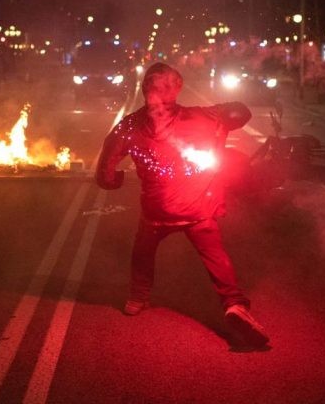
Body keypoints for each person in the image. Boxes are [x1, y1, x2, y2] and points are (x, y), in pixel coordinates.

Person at [95, 63, 269, 348]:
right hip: (198, 210)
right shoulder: (203, 116)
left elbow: (104, 175)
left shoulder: (129, 126)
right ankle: (234, 303)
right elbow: (242, 112)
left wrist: (116, 181)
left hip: (156, 212)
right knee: (215, 254)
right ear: (176, 89)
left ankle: (137, 297)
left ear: (144, 90)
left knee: (143, 249)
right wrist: (222, 110)